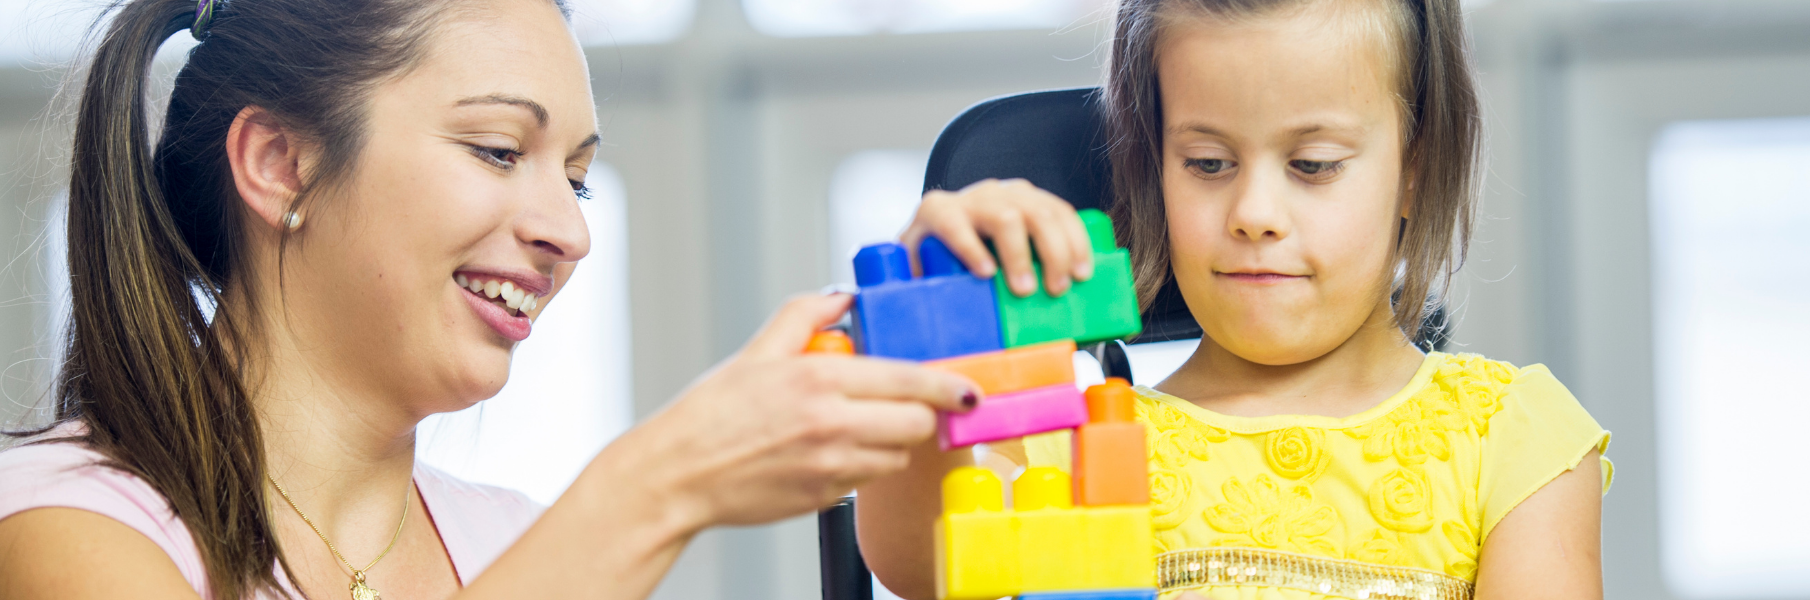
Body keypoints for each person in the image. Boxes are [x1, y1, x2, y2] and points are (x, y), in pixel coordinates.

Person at [0, 0, 1100, 598]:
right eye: (495, 148)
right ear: (281, 163)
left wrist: (925, 340)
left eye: (574, 174)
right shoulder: (63, 534)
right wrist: (657, 485)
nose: (569, 231)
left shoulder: (512, 545)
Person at [857, 0, 1614, 598]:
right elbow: (916, 563)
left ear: (1415, 165)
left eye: (1313, 165)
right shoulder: (1068, 447)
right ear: (1152, 166)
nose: (1255, 211)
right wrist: (929, 344)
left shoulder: (1517, 440)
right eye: (1208, 162)